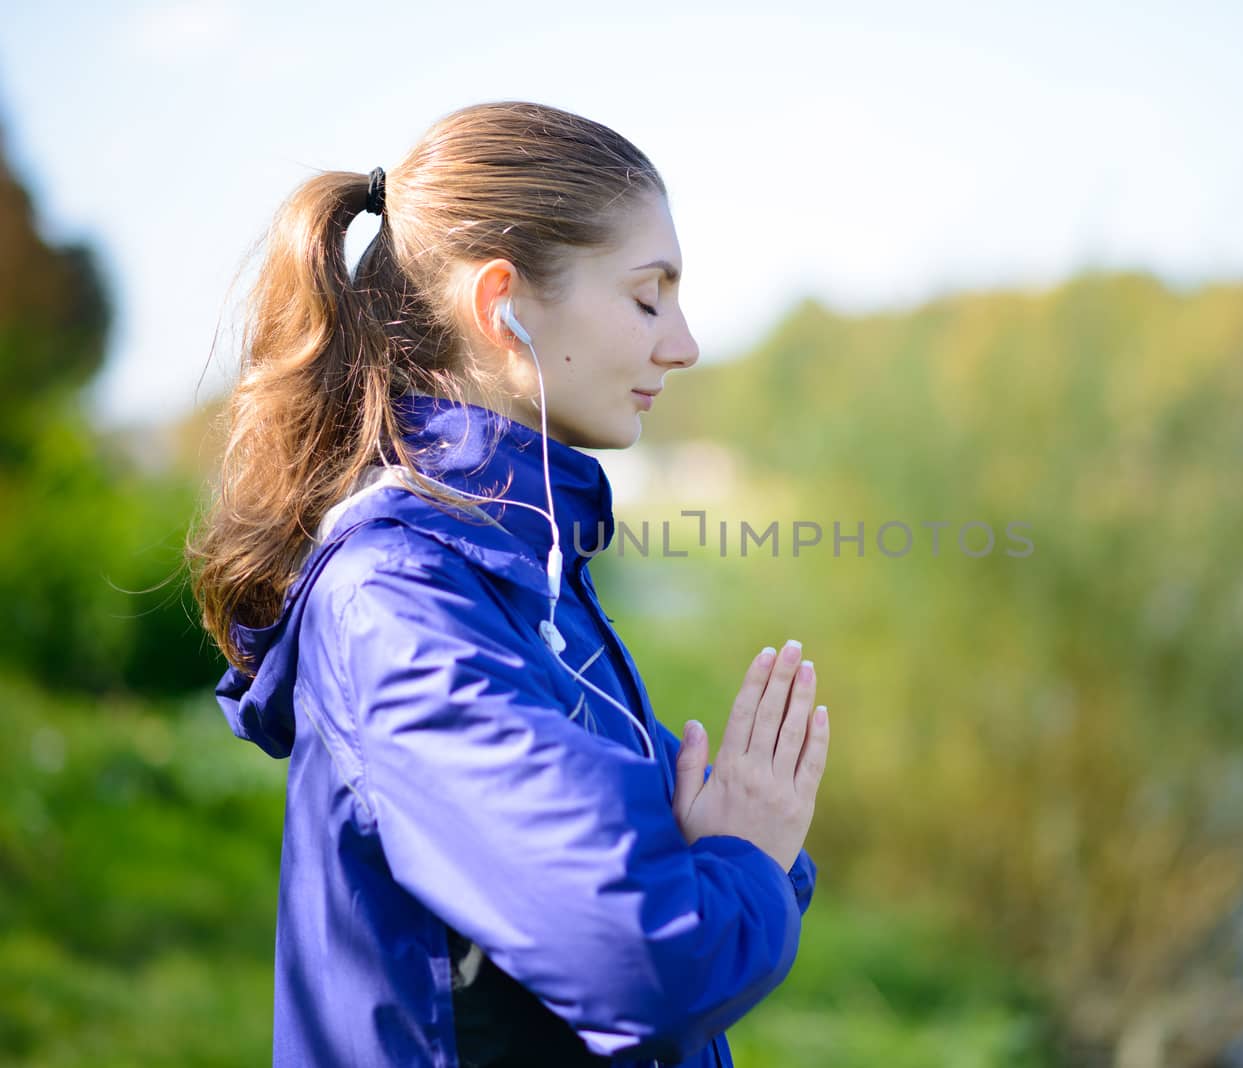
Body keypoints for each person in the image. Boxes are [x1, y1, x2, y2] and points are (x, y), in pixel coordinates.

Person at [187, 100, 829, 1068]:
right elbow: (647, 960)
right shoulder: (401, 602)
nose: (683, 343)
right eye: (649, 296)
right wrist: (747, 859)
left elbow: (667, 870)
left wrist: (736, 852)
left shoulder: (515, 563)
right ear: (504, 307)